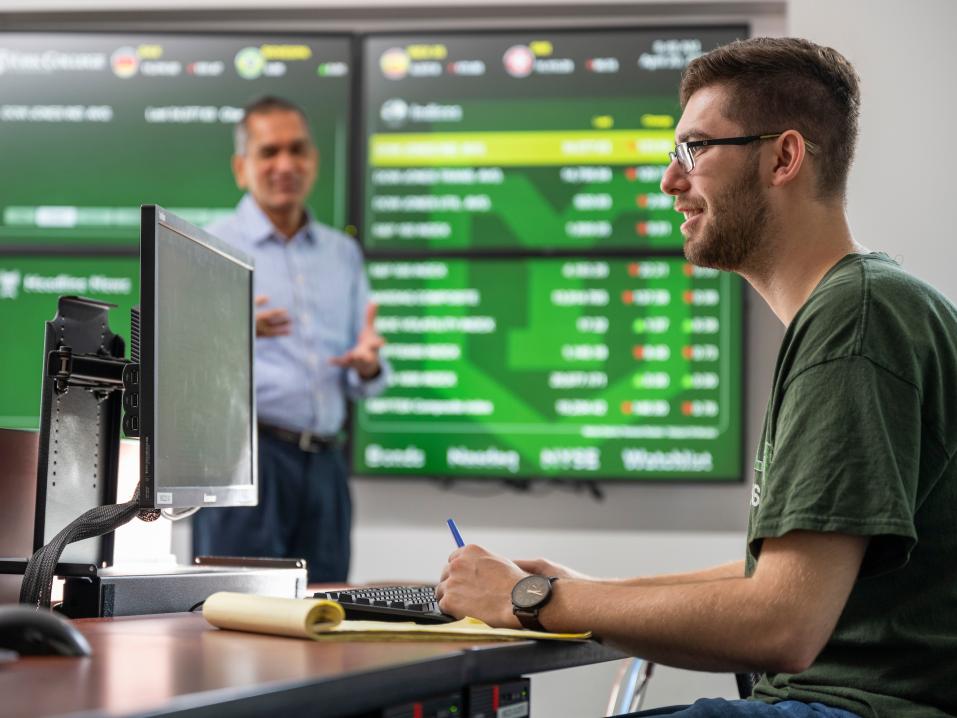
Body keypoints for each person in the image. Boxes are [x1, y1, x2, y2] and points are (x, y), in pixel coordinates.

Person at [435, 37, 957, 718]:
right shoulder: (861, 304)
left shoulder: (855, 318)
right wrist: (593, 588)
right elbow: (777, 576)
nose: (668, 181)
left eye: (694, 149)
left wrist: (524, 600)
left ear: (782, 157)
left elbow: (781, 623)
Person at [192, 96, 389, 583]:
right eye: (269, 151)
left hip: (326, 464)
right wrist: (230, 330)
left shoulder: (342, 254)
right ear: (242, 167)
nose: (285, 164)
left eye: (297, 150)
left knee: (327, 610)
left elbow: (367, 361)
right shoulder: (208, 246)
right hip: (244, 462)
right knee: (237, 612)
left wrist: (367, 366)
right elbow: (178, 360)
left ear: (314, 161)